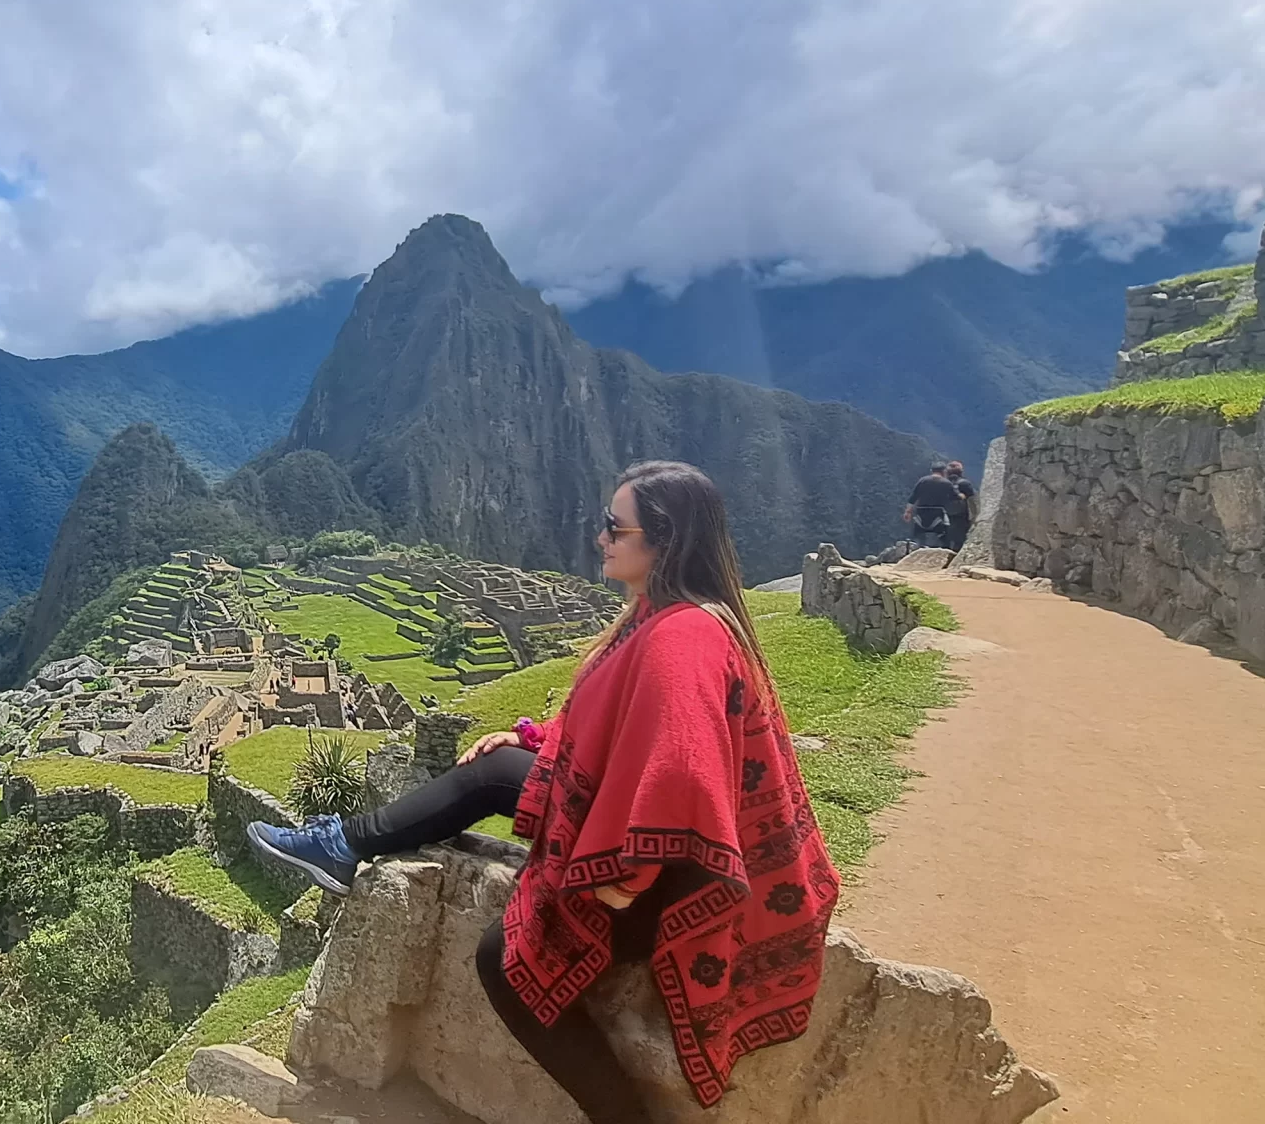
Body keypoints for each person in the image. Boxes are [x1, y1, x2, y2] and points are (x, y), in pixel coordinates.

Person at [246, 461, 839, 1123]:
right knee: (501, 769)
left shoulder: (684, 638)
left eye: (616, 528)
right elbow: (617, 722)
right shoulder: (666, 615)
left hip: (682, 874)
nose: (601, 538)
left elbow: (683, 773)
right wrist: (537, 737)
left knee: (506, 963)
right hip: (675, 847)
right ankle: (342, 844)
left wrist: (626, 880)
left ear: (664, 542)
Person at [903, 461, 959, 549]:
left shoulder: (923, 481)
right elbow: (955, 497)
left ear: (931, 470)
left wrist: (908, 512)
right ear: (944, 471)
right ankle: (946, 551)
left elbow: (913, 497)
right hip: (938, 515)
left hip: (921, 515)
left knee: (917, 534)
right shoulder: (946, 483)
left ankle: (914, 549)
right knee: (948, 530)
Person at [942, 460, 979, 553]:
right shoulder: (965, 483)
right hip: (961, 515)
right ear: (961, 472)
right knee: (960, 539)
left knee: (946, 537)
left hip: (943, 515)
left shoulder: (942, 483)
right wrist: (975, 516)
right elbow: (973, 500)